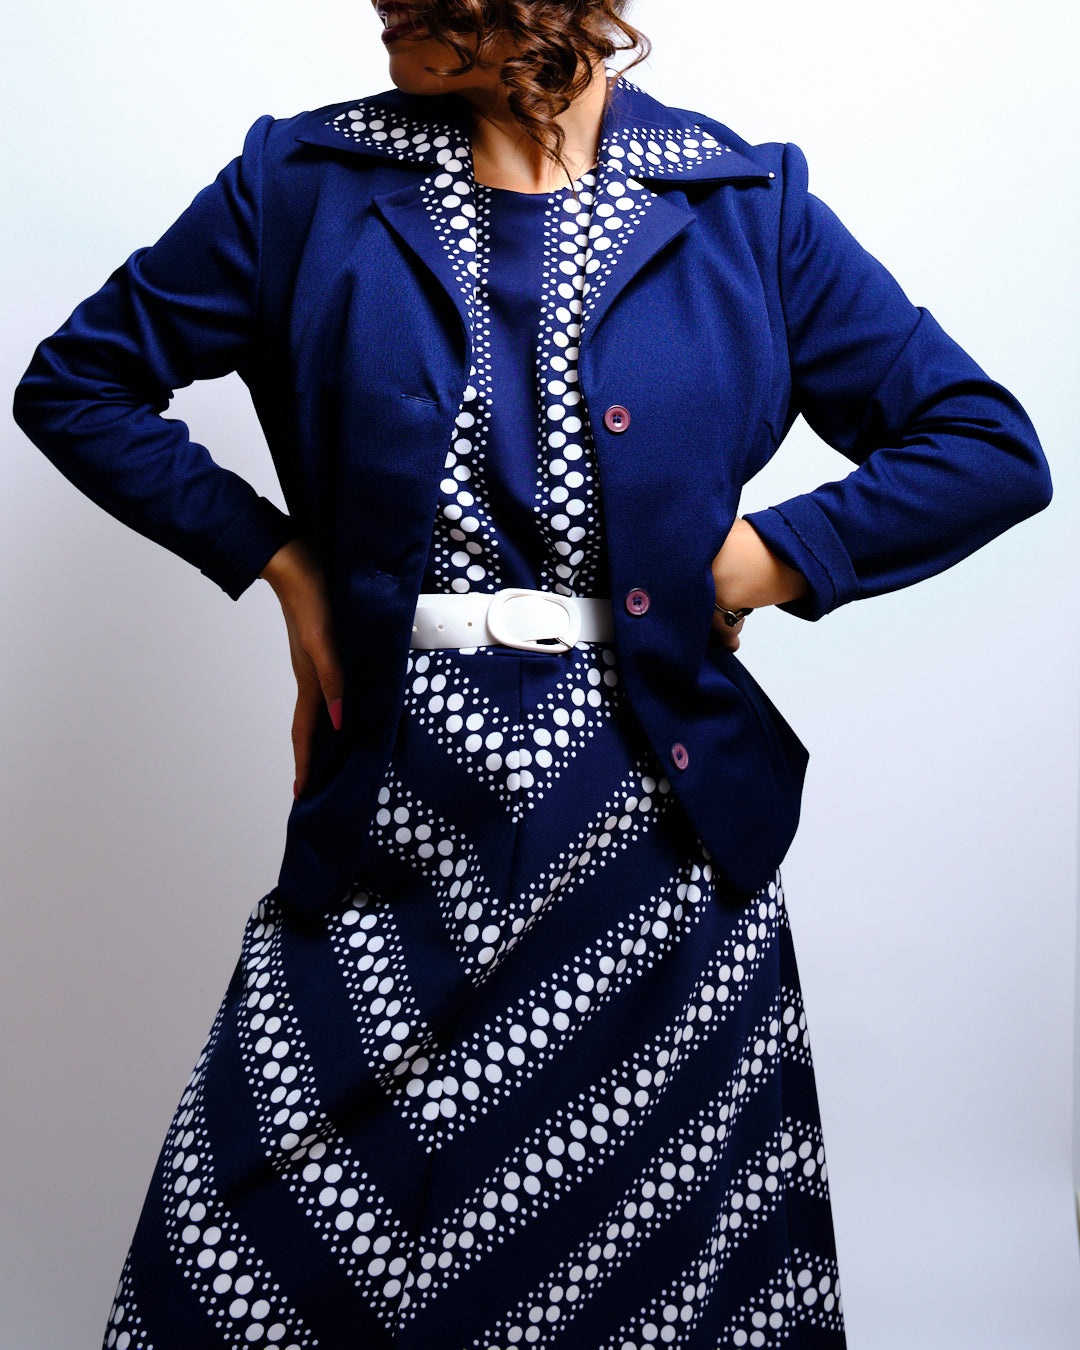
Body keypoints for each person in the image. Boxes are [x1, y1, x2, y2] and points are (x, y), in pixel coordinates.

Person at [12, 1, 1051, 1346]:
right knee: (247, 1254)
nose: (385, 7)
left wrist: (763, 560)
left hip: (651, 825)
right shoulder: (304, 181)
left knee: (641, 1282)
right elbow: (79, 384)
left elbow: (984, 446)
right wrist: (283, 564)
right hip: (393, 800)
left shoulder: (744, 203)